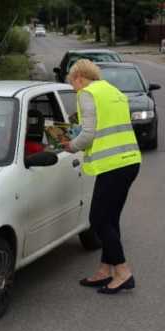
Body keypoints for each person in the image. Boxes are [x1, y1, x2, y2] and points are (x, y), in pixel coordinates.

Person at [62, 59, 141, 294]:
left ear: (78, 77)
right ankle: (105, 270)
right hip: (129, 161)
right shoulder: (113, 91)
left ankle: (123, 271)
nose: (74, 89)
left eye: (72, 84)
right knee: (111, 218)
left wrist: (71, 146)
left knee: (97, 219)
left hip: (112, 165)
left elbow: (88, 134)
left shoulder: (87, 93)